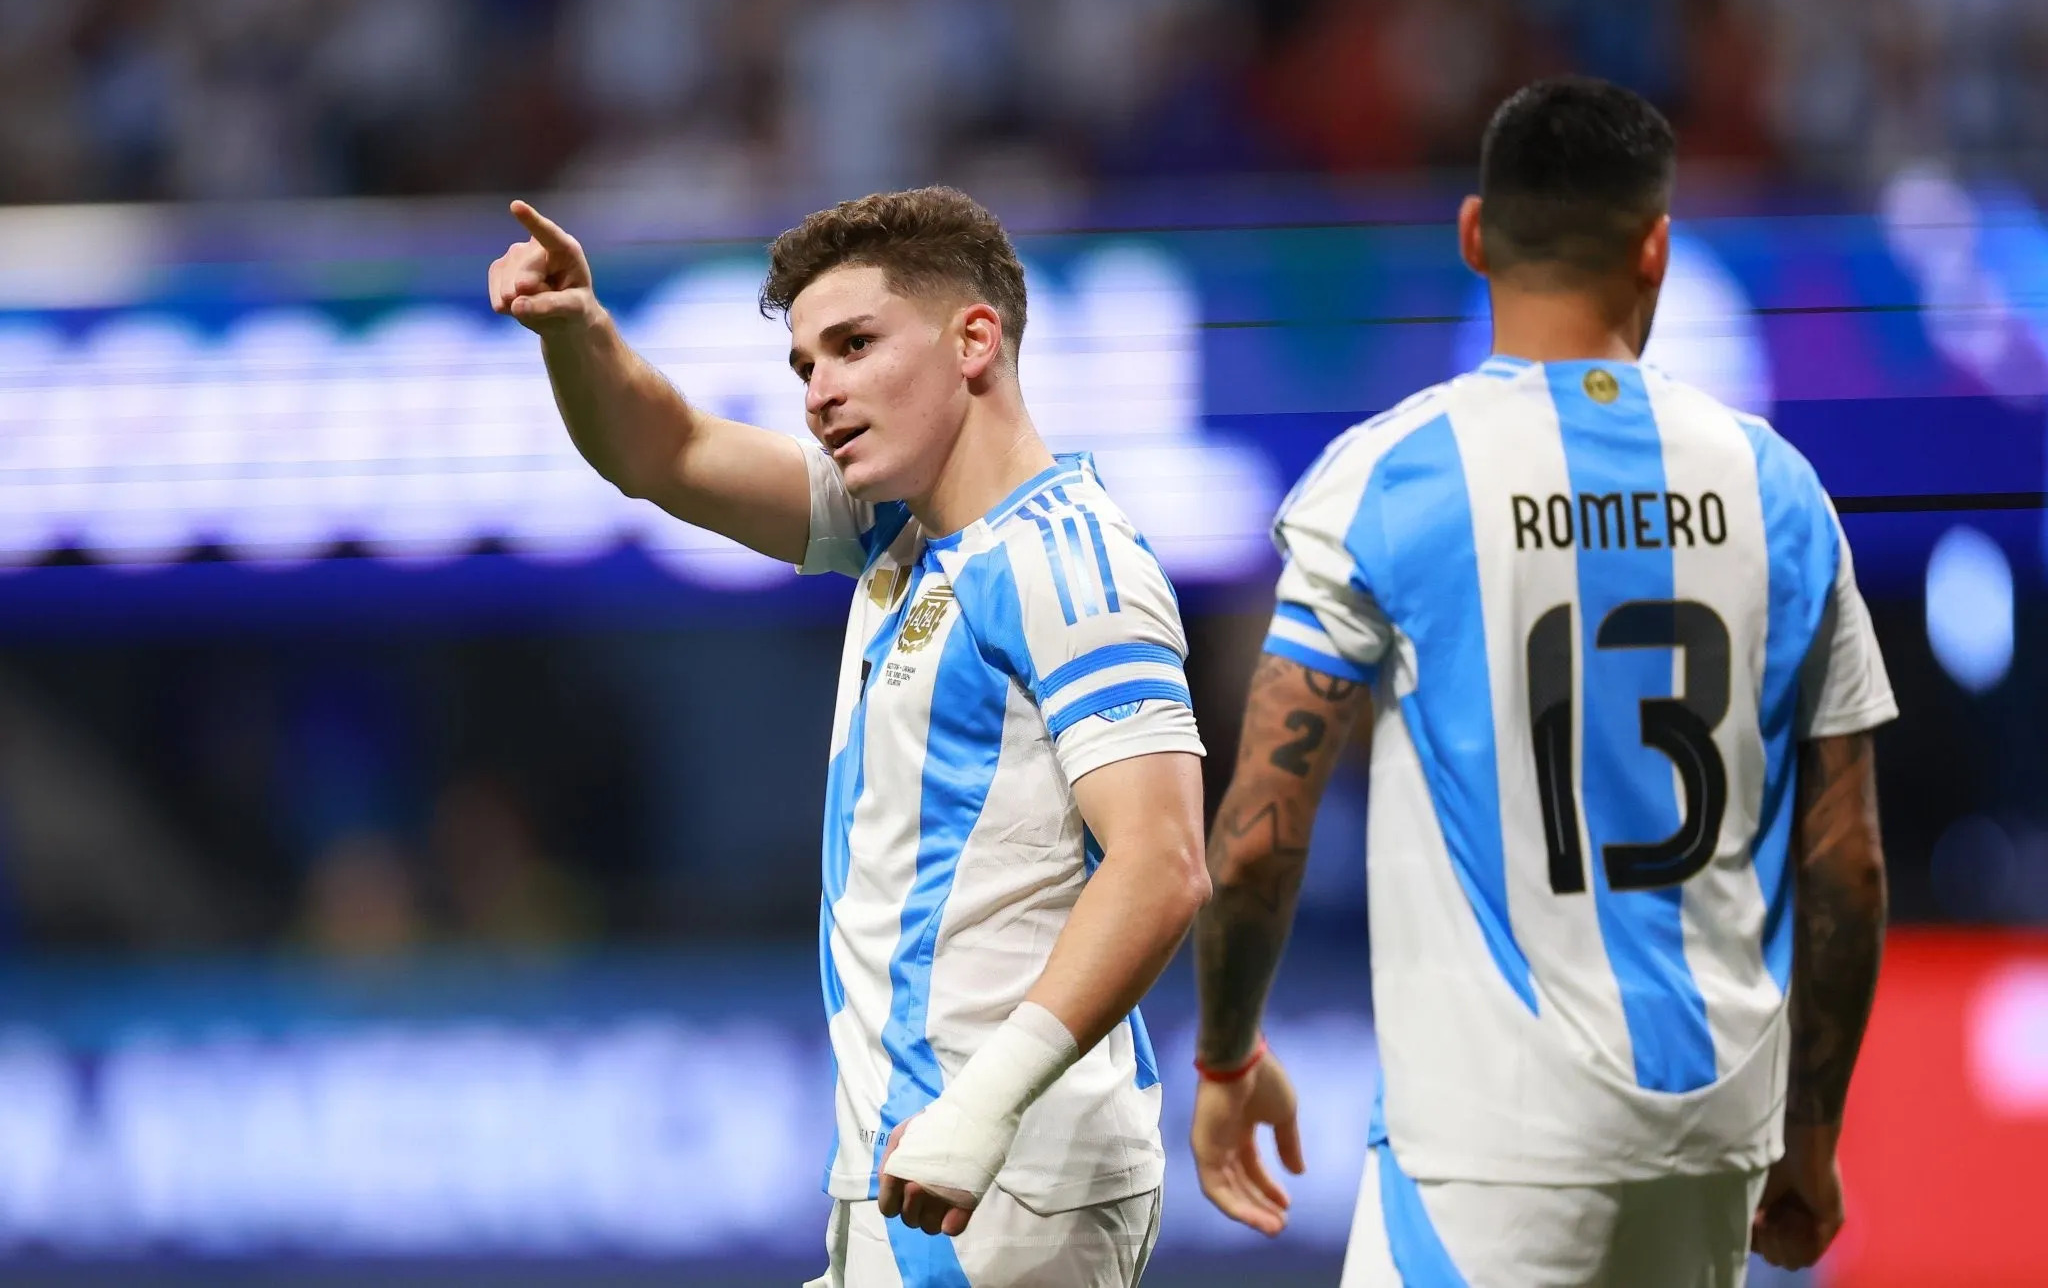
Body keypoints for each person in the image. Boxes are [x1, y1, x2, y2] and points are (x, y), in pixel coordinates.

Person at [1187, 77, 1895, 1286]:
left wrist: (1224, 1056)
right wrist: (1811, 1131)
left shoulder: (1391, 478)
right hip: (1712, 1130)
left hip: (1490, 1143)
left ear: (1472, 235)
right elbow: (1847, 864)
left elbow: (1258, 837)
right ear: (1654, 249)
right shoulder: (1777, 489)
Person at [488, 186, 1209, 1286]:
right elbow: (666, 452)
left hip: (1002, 1173)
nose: (820, 391)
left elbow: (1160, 862)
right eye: (805, 365)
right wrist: (577, 330)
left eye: (855, 346)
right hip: (914, 1155)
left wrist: (980, 1105)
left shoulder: (1068, 562)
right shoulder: (896, 532)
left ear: (974, 340)